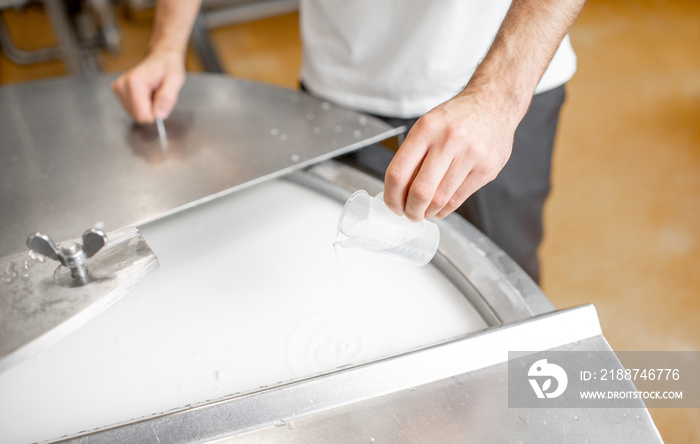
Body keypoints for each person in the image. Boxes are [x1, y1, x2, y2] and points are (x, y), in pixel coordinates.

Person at [113, 0, 586, 283]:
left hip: (501, 84)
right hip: (341, 84)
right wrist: (167, 44)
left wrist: (498, 97)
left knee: (500, 271)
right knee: (364, 275)